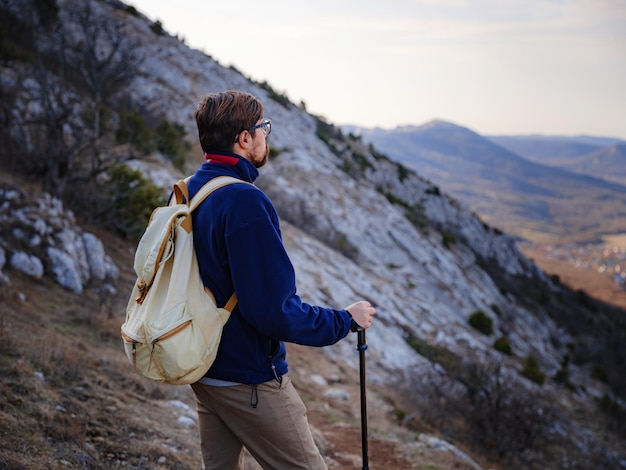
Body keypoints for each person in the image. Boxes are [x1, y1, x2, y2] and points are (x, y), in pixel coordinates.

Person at [186, 89, 376, 470]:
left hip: (204, 366)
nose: (265, 135)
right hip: (248, 379)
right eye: (263, 128)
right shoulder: (245, 202)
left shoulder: (190, 189)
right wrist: (345, 320)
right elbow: (273, 311)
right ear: (244, 138)